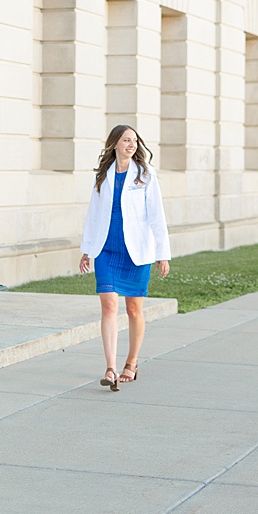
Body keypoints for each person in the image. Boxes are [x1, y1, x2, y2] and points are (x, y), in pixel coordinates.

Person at [79, 124, 171, 390]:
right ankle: (110, 368)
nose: (131, 144)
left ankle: (131, 362)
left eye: (134, 140)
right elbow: (93, 213)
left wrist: (162, 253)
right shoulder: (103, 175)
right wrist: (87, 249)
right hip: (106, 249)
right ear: (115, 144)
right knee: (109, 305)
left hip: (137, 250)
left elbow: (156, 215)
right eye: (126, 140)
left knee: (133, 309)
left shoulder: (145, 174)